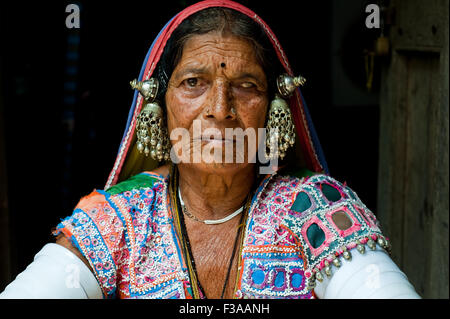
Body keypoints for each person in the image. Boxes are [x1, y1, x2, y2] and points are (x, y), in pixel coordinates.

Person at [0, 0, 420, 299]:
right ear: (157, 108)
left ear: (274, 110)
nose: (220, 110)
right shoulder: (120, 220)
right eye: (193, 83)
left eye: (246, 86)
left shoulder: (314, 209)